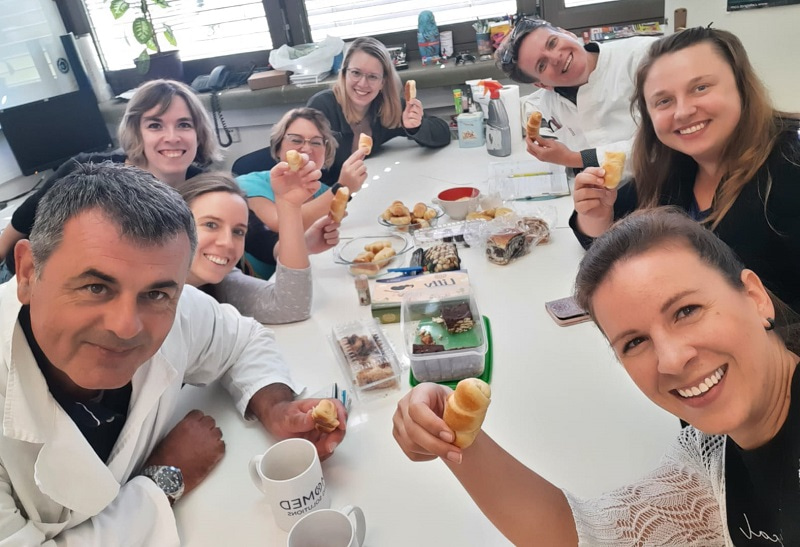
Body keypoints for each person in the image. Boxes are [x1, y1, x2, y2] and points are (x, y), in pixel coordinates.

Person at [393, 207, 800, 545]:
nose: (671, 360)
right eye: (635, 342)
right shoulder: (713, 450)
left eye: (686, 311)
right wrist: (455, 432)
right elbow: (581, 535)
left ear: (755, 296)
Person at [0, 162, 346, 544]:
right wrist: (164, 477)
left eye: (156, 294)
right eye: (96, 287)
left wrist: (275, 407)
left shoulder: (178, 309)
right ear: (29, 272)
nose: (126, 326)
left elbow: (244, 339)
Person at [570, 27, 800, 311]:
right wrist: (595, 215)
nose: (682, 112)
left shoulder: (790, 165)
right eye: (664, 101)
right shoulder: (672, 169)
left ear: (741, 86)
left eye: (700, 88)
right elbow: (604, 233)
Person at [0, 79, 220, 278]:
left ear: (198, 133)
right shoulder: (85, 169)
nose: (172, 137)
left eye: (184, 124)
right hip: (29, 275)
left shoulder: (208, 192)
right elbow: (20, 223)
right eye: (155, 125)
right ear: (137, 132)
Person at [174, 171, 340, 323]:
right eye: (211, 224)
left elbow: (290, 307)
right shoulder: (150, 304)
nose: (227, 242)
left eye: (238, 232)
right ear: (173, 226)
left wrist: (290, 208)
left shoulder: (223, 282)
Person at [496, 18, 657, 172]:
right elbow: (529, 104)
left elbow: (658, 147)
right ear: (542, 84)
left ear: (567, 33)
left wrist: (574, 159)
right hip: (603, 193)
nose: (556, 57)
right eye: (542, 65)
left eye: (553, 43)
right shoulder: (549, 101)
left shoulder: (643, 58)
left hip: (665, 185)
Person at [307, 36, 450, 183]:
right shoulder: (322, 107)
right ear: (343, 74)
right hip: (326, 196)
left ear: (383, 82)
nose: (363, 83)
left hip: (367, 189)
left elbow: (443, 133)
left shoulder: (388, 106)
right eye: (356, 73)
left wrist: (416, 127)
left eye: (373, 77)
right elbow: (305, 168)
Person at [236, 107, 366, 233]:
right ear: (277, 147)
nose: (307, 149)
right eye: (296, 140)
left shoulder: (323, 192)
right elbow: (281, 226)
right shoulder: (248, 184)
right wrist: (342, 188)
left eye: (316, 143)